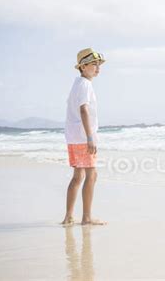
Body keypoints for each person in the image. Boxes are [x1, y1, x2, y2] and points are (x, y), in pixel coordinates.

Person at [61, 48, 107, 226]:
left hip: (73, 137)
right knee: (91, 175)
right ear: (83, 66)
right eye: (94, 65)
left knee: (78, 176)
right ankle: (86, 218)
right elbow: (83, 109)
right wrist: (90, 136)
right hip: (82, 136)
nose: (98, 68)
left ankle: (68, 216)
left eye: (99, 65)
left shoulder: (77, 84)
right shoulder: (85, 85)